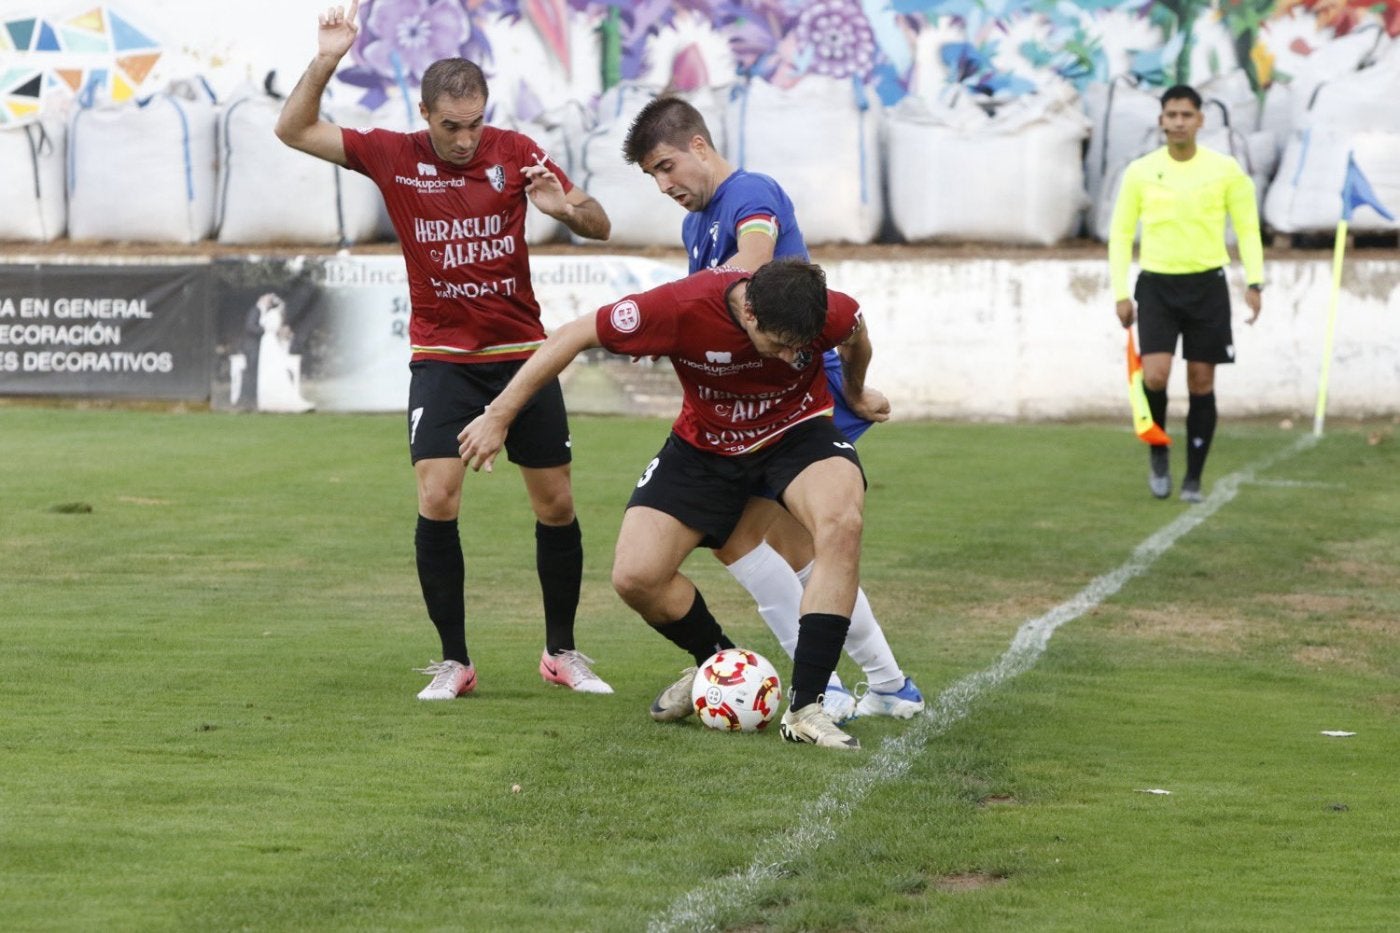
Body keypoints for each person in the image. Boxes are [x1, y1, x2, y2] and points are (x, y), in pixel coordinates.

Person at [275, 0, 614, 699]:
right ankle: (455, 660)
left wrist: (564, 210)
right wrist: (329, 59)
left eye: (476, 123)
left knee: (555, 503)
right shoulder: (392, 155)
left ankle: (562, 651)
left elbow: (600, 222)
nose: (466, 139)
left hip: (525, 353)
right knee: (437, 495)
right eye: (452, 126)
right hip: (442, 357)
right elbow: (293, 128)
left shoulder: (517, 151)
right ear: (426, 115)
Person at [460, 258, 883, 749]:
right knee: (636, 576)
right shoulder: (678, 307)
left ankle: (807, 706)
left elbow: (856, 334)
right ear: (749, 312)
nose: (792, 357)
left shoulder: (828, 311)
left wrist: (853, 391)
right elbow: (571, 335)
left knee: (841, 523)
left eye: (800, 347)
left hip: (796, 433)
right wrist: (499, 415)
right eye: (780, 344)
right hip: (703, 449)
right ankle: (717, 666)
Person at [620, 96, 924, 722]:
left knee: (769, 541)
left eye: (668, 166)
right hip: (761, 404)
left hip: (797, 396)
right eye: (653, 175)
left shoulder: (749, 191)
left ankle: (848, 689)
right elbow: (710, 309)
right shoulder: (693, 227)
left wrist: (671, 314)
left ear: (700, 146)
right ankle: (882, 687)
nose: (664, 184)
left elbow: (753, 261)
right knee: (758, 543)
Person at [1108, 84, 1264, 503]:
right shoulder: (1140, 171)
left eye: (1186, 115)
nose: (1178, 122)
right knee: (1155, 375)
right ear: (1161, 120)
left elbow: (1247, 226)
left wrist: (1255, 281)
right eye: (1171, 115)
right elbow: (1121, 234)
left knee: (1201, 381)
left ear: (1200, 120)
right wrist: (1120, 292)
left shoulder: (1225, 169)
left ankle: (1193, 476)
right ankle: (1158, 447)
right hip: (1157, 285)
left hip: (1206, 286)